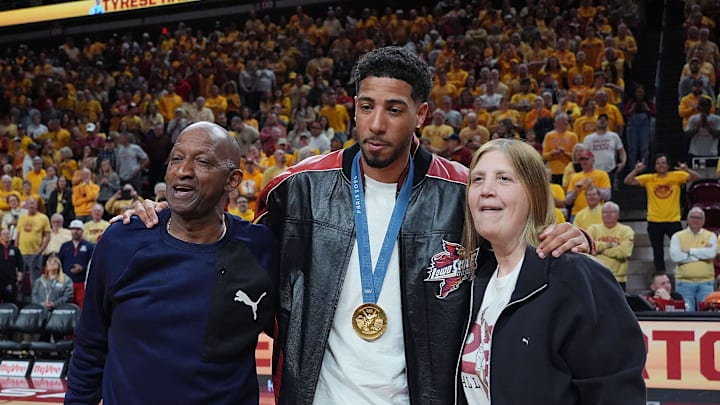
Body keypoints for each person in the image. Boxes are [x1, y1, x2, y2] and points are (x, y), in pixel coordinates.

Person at [125, 47, 589, 404]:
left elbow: (520, 254)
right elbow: (229, 246)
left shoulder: (463, 191)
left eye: (394, 109)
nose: (376, 124)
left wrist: (573, 236)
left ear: (421, 115)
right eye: (366, 107)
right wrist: (163, 215)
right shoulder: (298, 187)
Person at [65, 122, 279, 404]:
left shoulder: (262, 248)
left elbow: (298, 338)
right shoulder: (121, 241)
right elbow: (89, 348)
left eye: (202, 161)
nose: (183, 170)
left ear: (232, 180)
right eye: (176, 159)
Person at [460, 138, 646, 403]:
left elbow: (615, 392)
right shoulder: (470, 280)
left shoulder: (577, 276)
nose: (486, 189)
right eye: (477, 179)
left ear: (534, 193)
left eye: (504, 179)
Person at [625, 154, 702, 271]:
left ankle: (684, 272)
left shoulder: (677, 176)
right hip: (654, 221)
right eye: (658, 163)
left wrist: (686, 170)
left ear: (668, 165)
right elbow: (628, 181)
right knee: (657, 251)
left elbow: (698, 178)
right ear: (655, 166)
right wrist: (636, 170)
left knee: (681, 249)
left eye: (663, 163)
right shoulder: (649, 178)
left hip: (673, 221)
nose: (661, 165)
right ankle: (660, 276)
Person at [669, 206, 718, 311]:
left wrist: (690, 251)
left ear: (703, 221)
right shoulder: (677, 236)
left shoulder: (711, 236)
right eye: (693, 217)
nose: (696, 220)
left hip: (706, 283)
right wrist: (701, 255)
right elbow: (676, 257)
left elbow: (711, 254)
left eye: (699, 218)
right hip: (683, 284)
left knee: (707, 314)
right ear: (688, 219)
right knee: (686, 314)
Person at [587, 201, 635, 290]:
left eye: (611, 212)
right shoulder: (593, 228)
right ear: (601, 214)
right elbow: (588, 247)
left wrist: (599, 249)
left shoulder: (626, 230)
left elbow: (623, 253)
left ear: (618, 215)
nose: (608, 214)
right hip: (596, 276)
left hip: (618, 278)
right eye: (605, 212)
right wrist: (609, 244)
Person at [57, 219, 94, 308]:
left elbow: (93, 263)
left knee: (83, 306)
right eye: (73, 229)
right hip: (66, 282)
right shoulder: (65, 246)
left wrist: (83, 268)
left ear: (82, 231)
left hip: (82, 282)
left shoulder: (89, 246)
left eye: (78, 229)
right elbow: (59, 262)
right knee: (65, 306)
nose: (75, 231)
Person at [16, 197, 50, 289]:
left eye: (33, 203)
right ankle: (18, 300)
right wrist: (16, 250)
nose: (31, 205)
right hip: (21, 252)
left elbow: (47, 236)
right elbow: (18, 234)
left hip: (35, 253)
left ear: (37, 205)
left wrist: (41, 250)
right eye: (29, 203)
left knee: (35, 280)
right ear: (26, 205)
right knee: (19, 279)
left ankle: (35, 301)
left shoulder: (43, 218)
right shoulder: (22, 218)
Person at [0, 229, 23, 304]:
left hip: (11, 280)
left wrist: (20, 275)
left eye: (8, 234)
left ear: (10, 236)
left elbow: (20, 264)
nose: (6, 235)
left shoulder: (15, 249)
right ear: (1, 236)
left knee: (11, 301)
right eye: (4, 234)